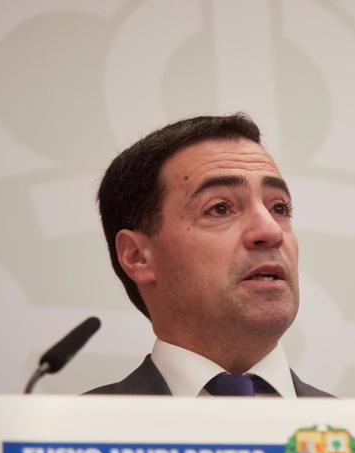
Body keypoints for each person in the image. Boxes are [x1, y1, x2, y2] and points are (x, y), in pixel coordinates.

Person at [87, 114, 331, 397]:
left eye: (279, 208)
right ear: (138, 256)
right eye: (220, 208)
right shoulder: (69, 424)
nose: (271, 231)